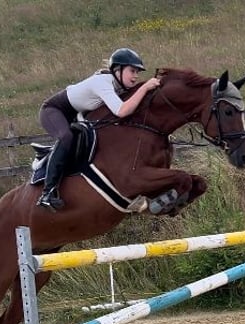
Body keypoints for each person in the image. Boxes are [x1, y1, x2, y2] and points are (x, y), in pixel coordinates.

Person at [36, 48, 161, 211]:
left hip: (77, 115)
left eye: (137, 72)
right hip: (54, 111)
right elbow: (122, 111)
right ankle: (47, 193)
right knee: (66, 137)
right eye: (132, 71)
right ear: (118, 70)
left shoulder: (118, 86)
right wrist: (144, 88)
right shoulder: (103, 82)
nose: (136, 76)